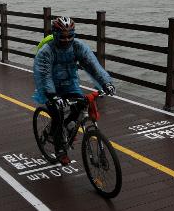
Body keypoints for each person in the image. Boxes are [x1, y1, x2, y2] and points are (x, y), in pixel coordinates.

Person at [33, 16, 116, 165]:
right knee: (58, 115)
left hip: (70, 83)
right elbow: (44, 76)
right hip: (51, 87)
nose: (66, 40)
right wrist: (52, 96)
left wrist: (106, 83)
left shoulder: (78, 47)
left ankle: (67, 127)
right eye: (62, 36)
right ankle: (60, 150)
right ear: (55, 34)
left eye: (70, 36)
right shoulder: (46, 51)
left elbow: (93, 66)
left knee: (81, 106)